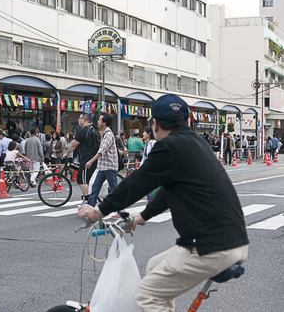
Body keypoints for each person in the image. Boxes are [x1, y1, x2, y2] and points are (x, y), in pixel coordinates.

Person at [78, 94, 249, 311]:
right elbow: (169, 190)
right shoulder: (197, 142)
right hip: (232, 240)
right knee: (154, 265)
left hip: (209, 245)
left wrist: (98, 211)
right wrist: (142, 216)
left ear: (155, 124)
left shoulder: (168, 146)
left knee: (146, 295)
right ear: (185, 121)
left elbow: (138, 183)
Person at [84, 112, 120, 207]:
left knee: (113, 189)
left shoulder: (108, 134)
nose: (98, 122)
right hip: (103, 167)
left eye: (99, 120)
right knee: (95, 187)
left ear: (104, 123)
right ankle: (90, 207)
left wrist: (91, 161)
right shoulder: (104, 133)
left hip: (109, 166)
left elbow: (102, 151)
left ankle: (121, 211)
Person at [63, 113, 99, 204]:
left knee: (82, 178)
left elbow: (73, 144)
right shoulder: (93, 130)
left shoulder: (83, 130)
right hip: (94, 158)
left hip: (87, 159)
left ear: (85, 120)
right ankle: (90, 197)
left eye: (80, 118)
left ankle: (87, 199)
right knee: (88, 179)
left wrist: (66, 154)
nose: (78, 120)